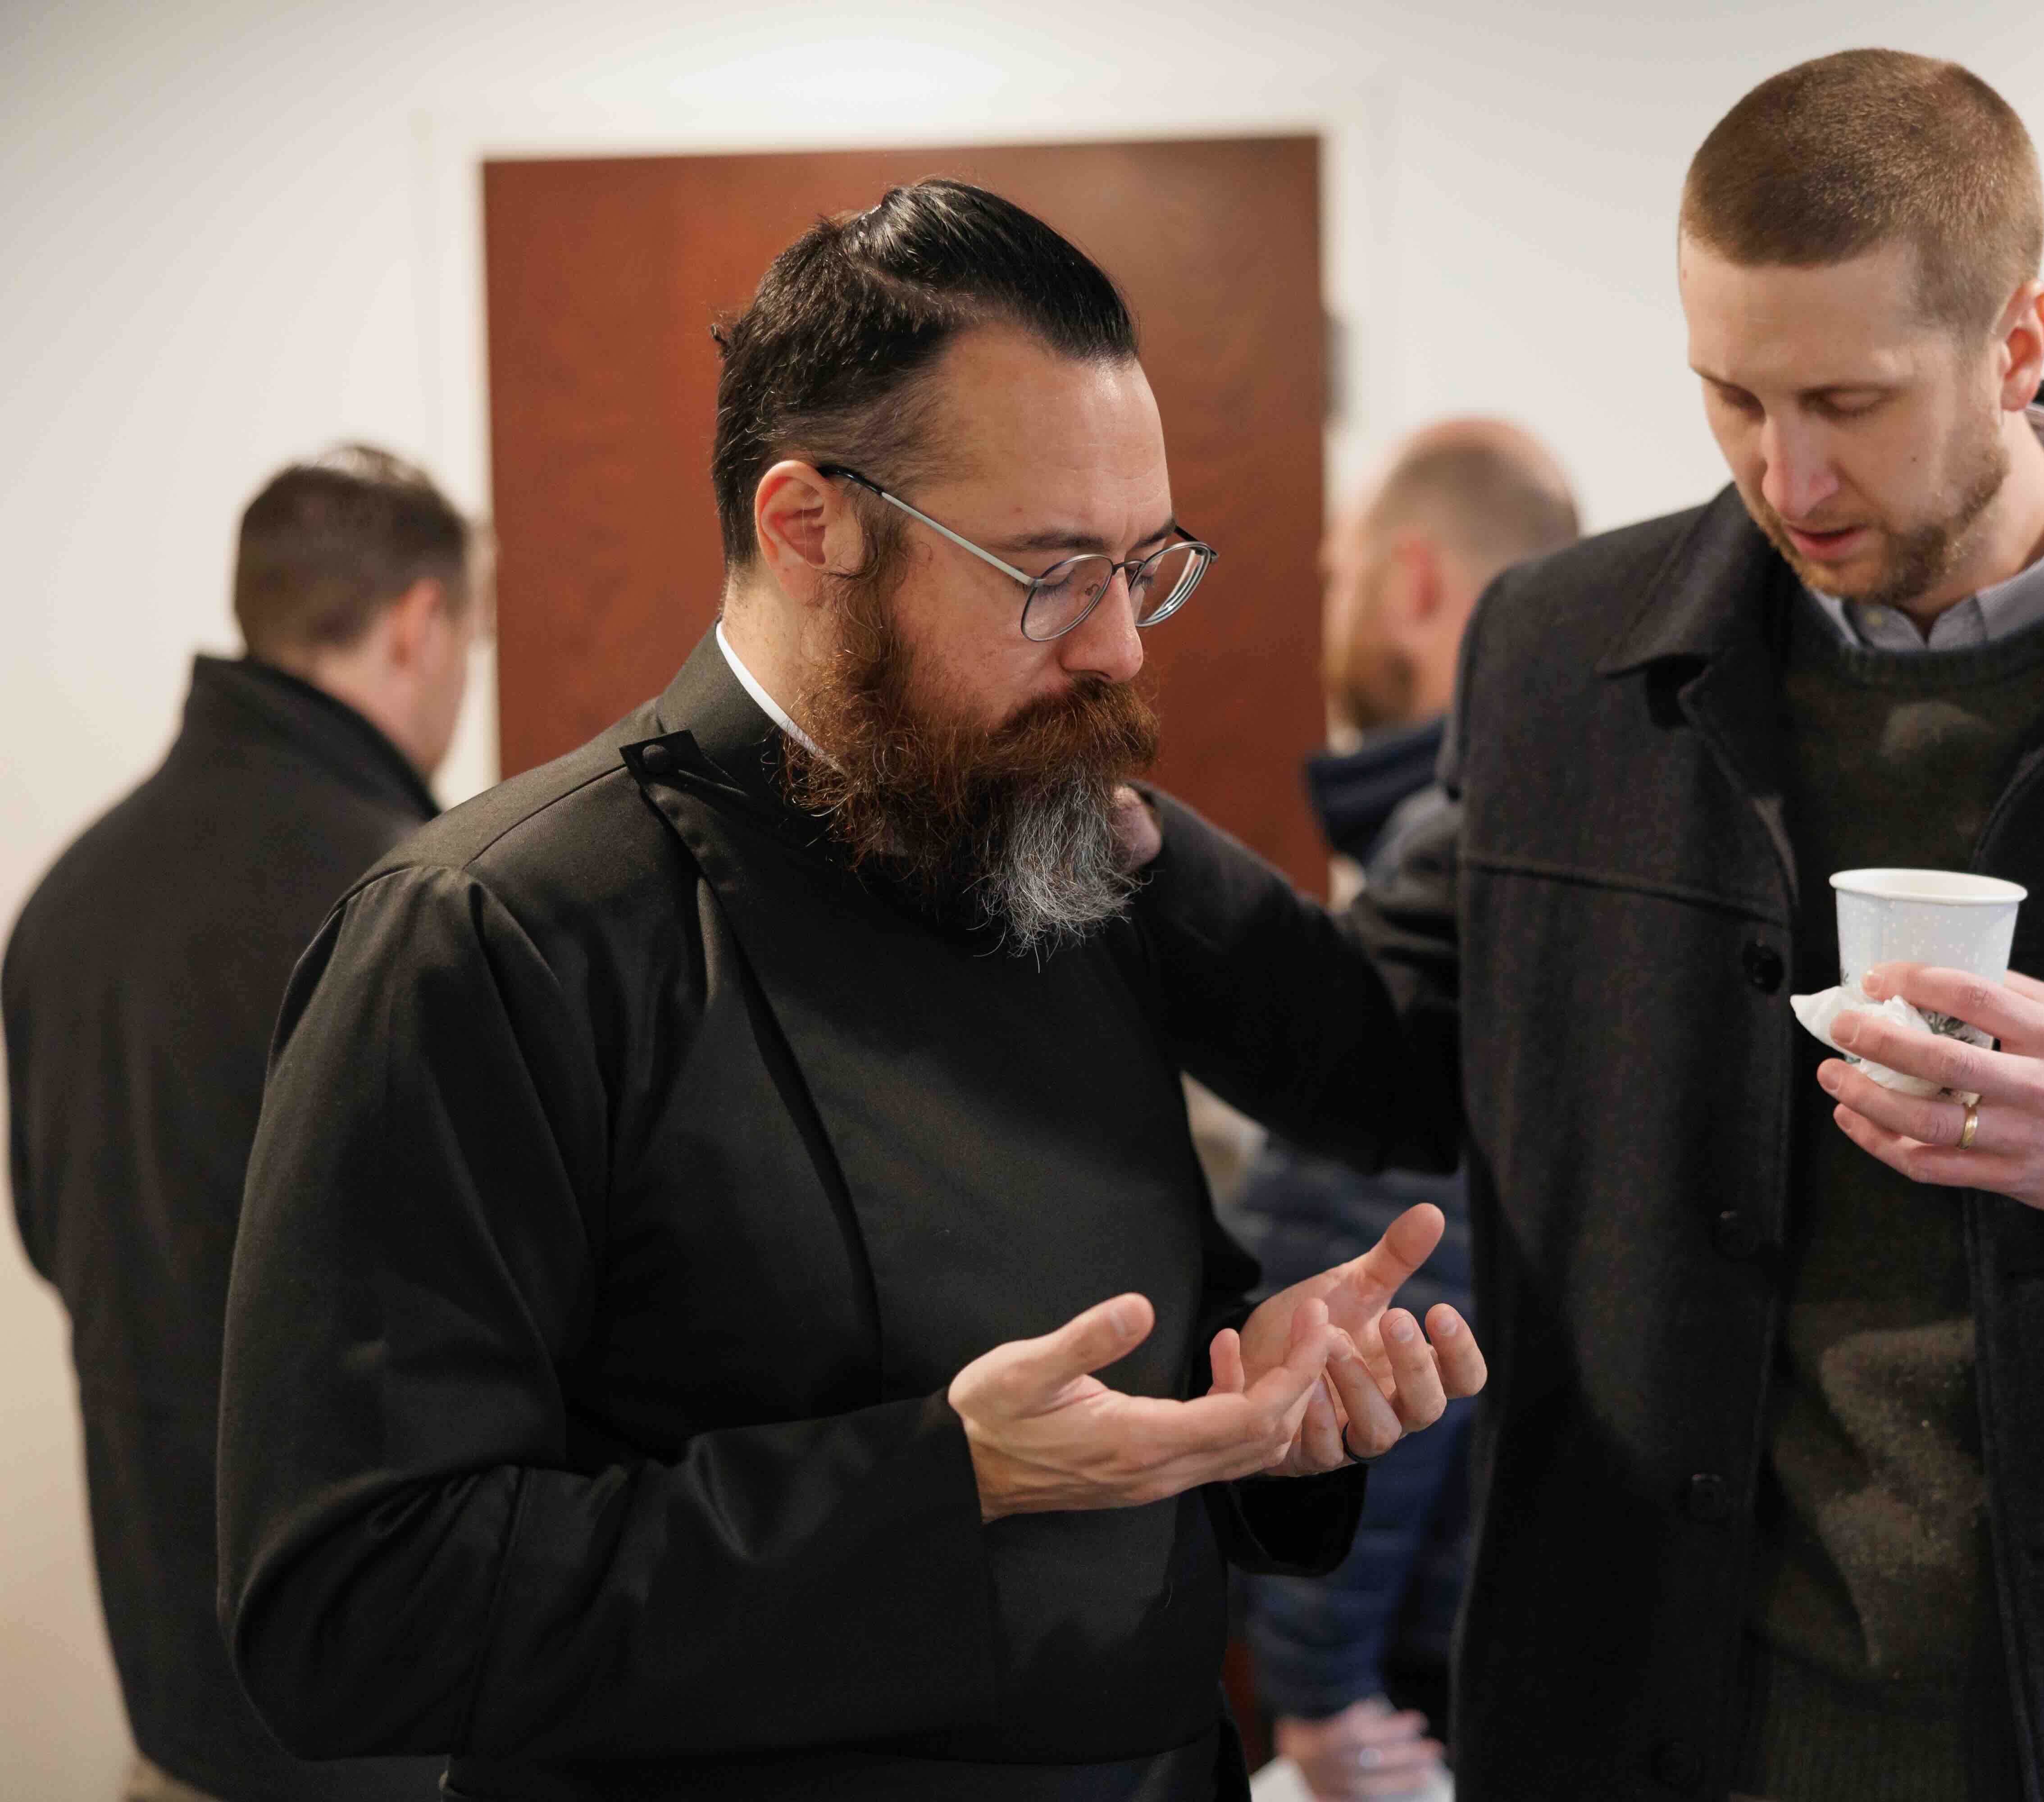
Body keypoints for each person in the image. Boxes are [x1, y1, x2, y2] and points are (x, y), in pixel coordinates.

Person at [1118, 49, 2044, 1802]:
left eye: (1849, 399)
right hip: (1652, 1732)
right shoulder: (1562, 656)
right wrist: (1133, 846)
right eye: (1731, 397)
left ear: (2016, 338)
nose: (1787, 472)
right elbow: (1397, 1057)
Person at [213, 181, 1484, 1802]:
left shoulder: (1051, 851)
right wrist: (937, 1485)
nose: (1119, 651)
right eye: (1049, 571)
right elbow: (349, 1611)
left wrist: (1257, 1391)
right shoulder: (492, 935)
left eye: (1141, 566)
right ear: (809, 523)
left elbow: (1135, 1336)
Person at [5, 446, 480, 1802]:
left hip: (177, 1717)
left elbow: (56, 1241)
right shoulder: (418, 905)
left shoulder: (73, 898)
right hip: (400, 1729)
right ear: (419, 624)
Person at [1234, 422, 1577, 1800]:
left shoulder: (1443, 866)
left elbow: (1371, 1291)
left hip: (1417, 1654)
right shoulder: (1552, 828)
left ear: (1417, 582)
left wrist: (1317, 1686)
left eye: (1338, 575)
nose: (1330, 612)